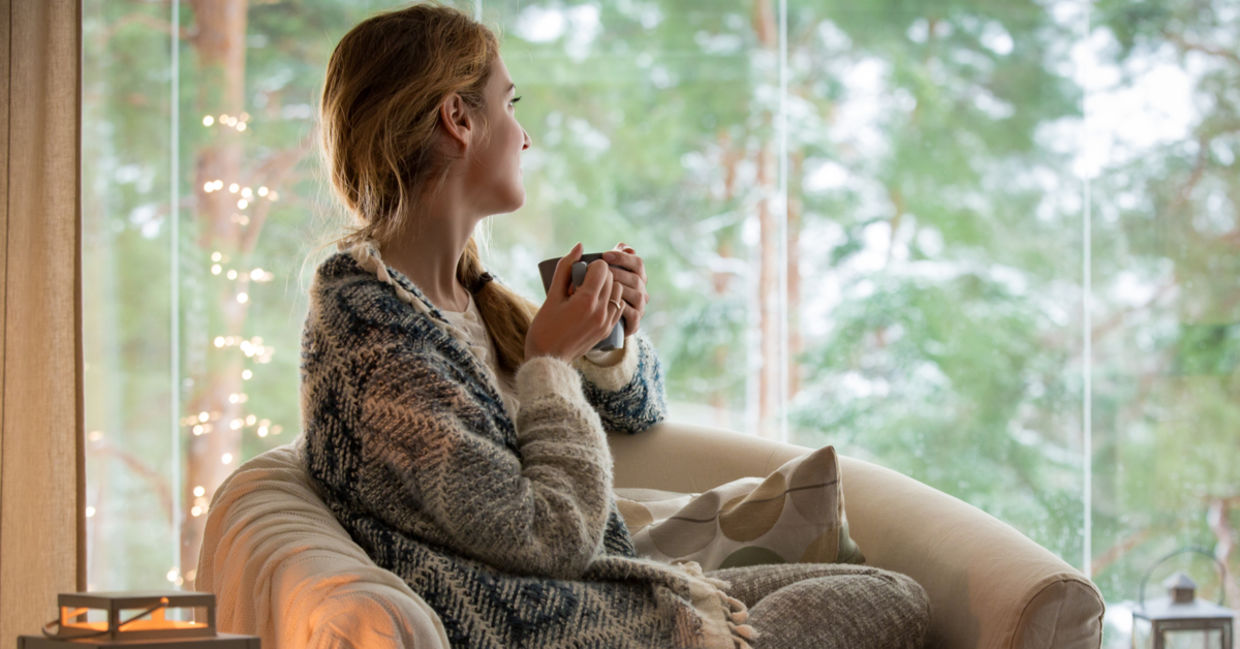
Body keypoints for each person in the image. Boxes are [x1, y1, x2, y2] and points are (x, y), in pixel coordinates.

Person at [300, 4, 930, 648]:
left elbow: (640, 412)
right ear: (457, 120)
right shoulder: (372, 334)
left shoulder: (465, 299)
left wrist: (607, 344)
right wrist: (548, 363)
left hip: (591, 592)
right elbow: (549, 540)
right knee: (886, 604)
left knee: (890, 593)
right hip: (543, 623)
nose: (524, 136)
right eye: (509, 103)